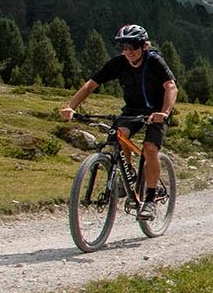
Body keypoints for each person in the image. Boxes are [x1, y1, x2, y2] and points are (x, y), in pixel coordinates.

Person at [60, 24, 175, 207]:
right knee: (119, 135)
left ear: (144, 46)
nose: (129, 52)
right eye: (124, 47)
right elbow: (90, 85)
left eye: (133, 47)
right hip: (132, 110)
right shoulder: (118, 63)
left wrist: (164, 112)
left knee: (150, 148)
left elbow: (170, 86)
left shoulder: (154, 61)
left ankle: (151, 199)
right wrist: (71, 107)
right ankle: (128, 174)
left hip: (157, 110)